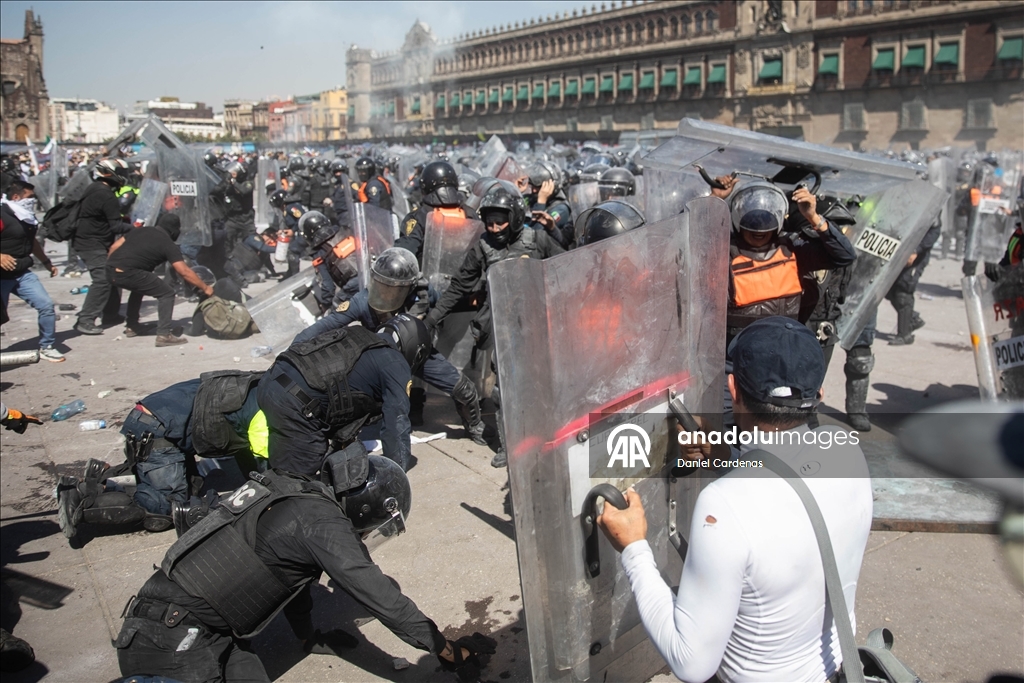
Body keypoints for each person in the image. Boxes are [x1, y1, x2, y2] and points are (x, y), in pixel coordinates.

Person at [598, 316, 873, 683]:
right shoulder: (848, 451)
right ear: (818, 394)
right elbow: (789, 491)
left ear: (733, 388)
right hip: (836, 668)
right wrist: (729, 457)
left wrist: (633, 547)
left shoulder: (725, 504)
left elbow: (690, 663)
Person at [112, 459, 496, 682]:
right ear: (363, 512)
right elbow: (382, 598)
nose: (364, 537)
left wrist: (310, 637)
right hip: (169, 645)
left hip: (187, 627)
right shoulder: (322, 526)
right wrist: (446, 650)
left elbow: (291, 580)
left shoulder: (298, 491)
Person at [425, 183, 565, 467]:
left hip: (541, 325)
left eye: (500, 221)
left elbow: (566, 267)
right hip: (502, 327)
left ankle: (552, 438)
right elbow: (458, 287)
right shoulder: (482, 248)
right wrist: (431, 318)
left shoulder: (537, 240)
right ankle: (509, 445)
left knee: (546, 386)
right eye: (488, 222)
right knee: (504, 391)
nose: (495, 227)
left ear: (514, 217)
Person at [295, 247, 488, 446]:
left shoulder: (423, 293)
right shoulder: (363, 300)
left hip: (420, 355)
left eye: (393, 288)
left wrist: (472, 301)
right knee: (352, 403)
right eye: (382, 285)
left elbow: (445, 304)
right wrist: (294, 351)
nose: (385, 293)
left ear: (410, 286)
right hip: (382, 359)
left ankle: (475, 428)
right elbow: (325, 325)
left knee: (465, 390)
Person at [55, 369, 267, 542]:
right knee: (165, 508)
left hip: (153, 422)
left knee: (192, 486)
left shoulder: (259, 382)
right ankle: (79, 503)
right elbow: (265, 462)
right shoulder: (267, 411)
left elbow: (247, 451)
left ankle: (101, 477)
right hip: (157, 432)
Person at [256, 314, 432, 475]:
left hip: (270, 380)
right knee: (298, 485)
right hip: (295, 403)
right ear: (417, 352)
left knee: (280, 467)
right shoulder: (395, 362)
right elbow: (397, 425)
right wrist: (395, 475)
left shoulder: (359, 336)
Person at [713, 176, 857, 343]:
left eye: (765, 226)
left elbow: (844, 256)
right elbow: (680, 246)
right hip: (733, 348)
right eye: (752, 226)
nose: (759, 230)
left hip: (783, 346)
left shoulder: (792, 249)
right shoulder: (721, 249)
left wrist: (813, 217)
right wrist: (714, 198)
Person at [105, 213, 214, 346]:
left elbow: (114, 247)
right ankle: (164, 335)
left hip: (110, 270)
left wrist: (114, 265)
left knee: (139, 287)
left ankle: (132, 326)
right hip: (128, 272)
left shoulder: (139, 230)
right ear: (174, 230)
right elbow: (184, 271)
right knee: (167, 293)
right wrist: (205, 288)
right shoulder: (167, 243)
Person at [0, 180, 64, 362]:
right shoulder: (2, 214)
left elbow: (32, 242)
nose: (33, 200)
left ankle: (47, 346)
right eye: (29, 197)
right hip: (1, 276)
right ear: (15, 197)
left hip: (21, 273)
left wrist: (46, 262)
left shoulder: (26, 216)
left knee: (46, 306)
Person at [73, 158, 130, 335]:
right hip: (91, 243)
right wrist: (136, 227)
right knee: (102, 279)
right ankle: (86, 319)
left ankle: (110, 314)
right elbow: (115, 226)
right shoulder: (105, 194)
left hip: (93, 241)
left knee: (112, 275)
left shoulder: (96, 188)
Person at [394, 160, 473, 263]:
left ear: (424, 187)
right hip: (465, 277)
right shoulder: (471, 214)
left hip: (429, 278)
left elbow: (404, 253)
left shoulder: (419, 217)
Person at [886, 217, 941, 345]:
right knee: (889, 290)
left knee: (903, 291)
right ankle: (912, 319)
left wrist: (916, 250)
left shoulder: (930, 203)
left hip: (916, 255)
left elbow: (934, 231)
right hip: (899, 249)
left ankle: (905, 334)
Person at [518, 160, 575, 249]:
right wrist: (516, 192)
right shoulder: (532, 198)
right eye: (532, 186)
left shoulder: (561, 208)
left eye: (539, 187)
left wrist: (541, 202)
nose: (533, 190)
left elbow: (535, 234)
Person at [212, 161, 256, 254]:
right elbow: (216, 191)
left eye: (233, 174)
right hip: (232, 218)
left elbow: (244, 191)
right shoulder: (228, 185)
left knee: (253, 240)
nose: (232, 175)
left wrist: (233, 181)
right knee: (226, 239)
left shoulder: (248, 183)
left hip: (246, 218)